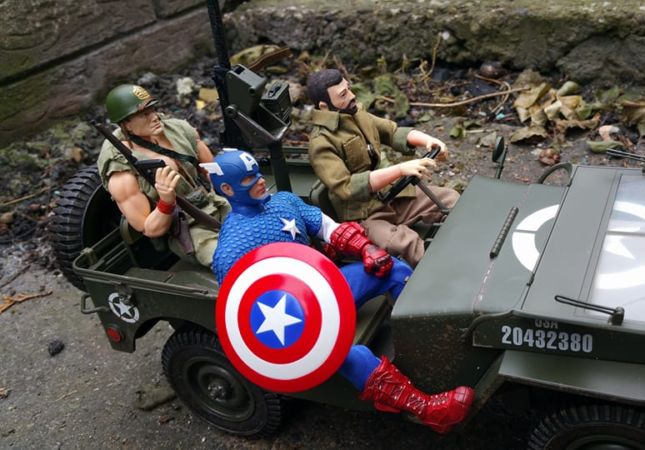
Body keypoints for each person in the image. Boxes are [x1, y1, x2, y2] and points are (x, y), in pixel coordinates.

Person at [207, 149, 474, 434]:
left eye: (258, 174)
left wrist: (365, 248)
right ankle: (426, 410)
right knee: (353, 355)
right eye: (248, 179)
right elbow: (240, 309)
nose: (260, 180)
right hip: (294, 321)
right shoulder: (232, 249)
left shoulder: (283, 201)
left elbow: (327, 228)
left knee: (394, 270)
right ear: (227, 189)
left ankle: (430, 345)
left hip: (324, 286)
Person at [306, 69, 460, 267]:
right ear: (324, 106)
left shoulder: (357, 115)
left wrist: (428, 140)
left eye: (349, 89)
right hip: (365, 215)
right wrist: (400, 170)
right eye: (343, 95)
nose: (352, 96)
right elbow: (347, 187)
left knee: (450, 199)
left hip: (391, 196)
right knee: (405, 242)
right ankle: (446, 269)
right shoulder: (321, 143)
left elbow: (392, 132)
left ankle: (467, 243)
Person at [96, 84, 230, 266]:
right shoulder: (121, 171)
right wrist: (166, 201)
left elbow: (211, 171)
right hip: (187, 229)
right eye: (144, 114)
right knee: (230, 259)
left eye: (153, 109)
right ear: (126, 124)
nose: (154, 117)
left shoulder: (178, 130)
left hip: (215, 203)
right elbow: (149, 229)